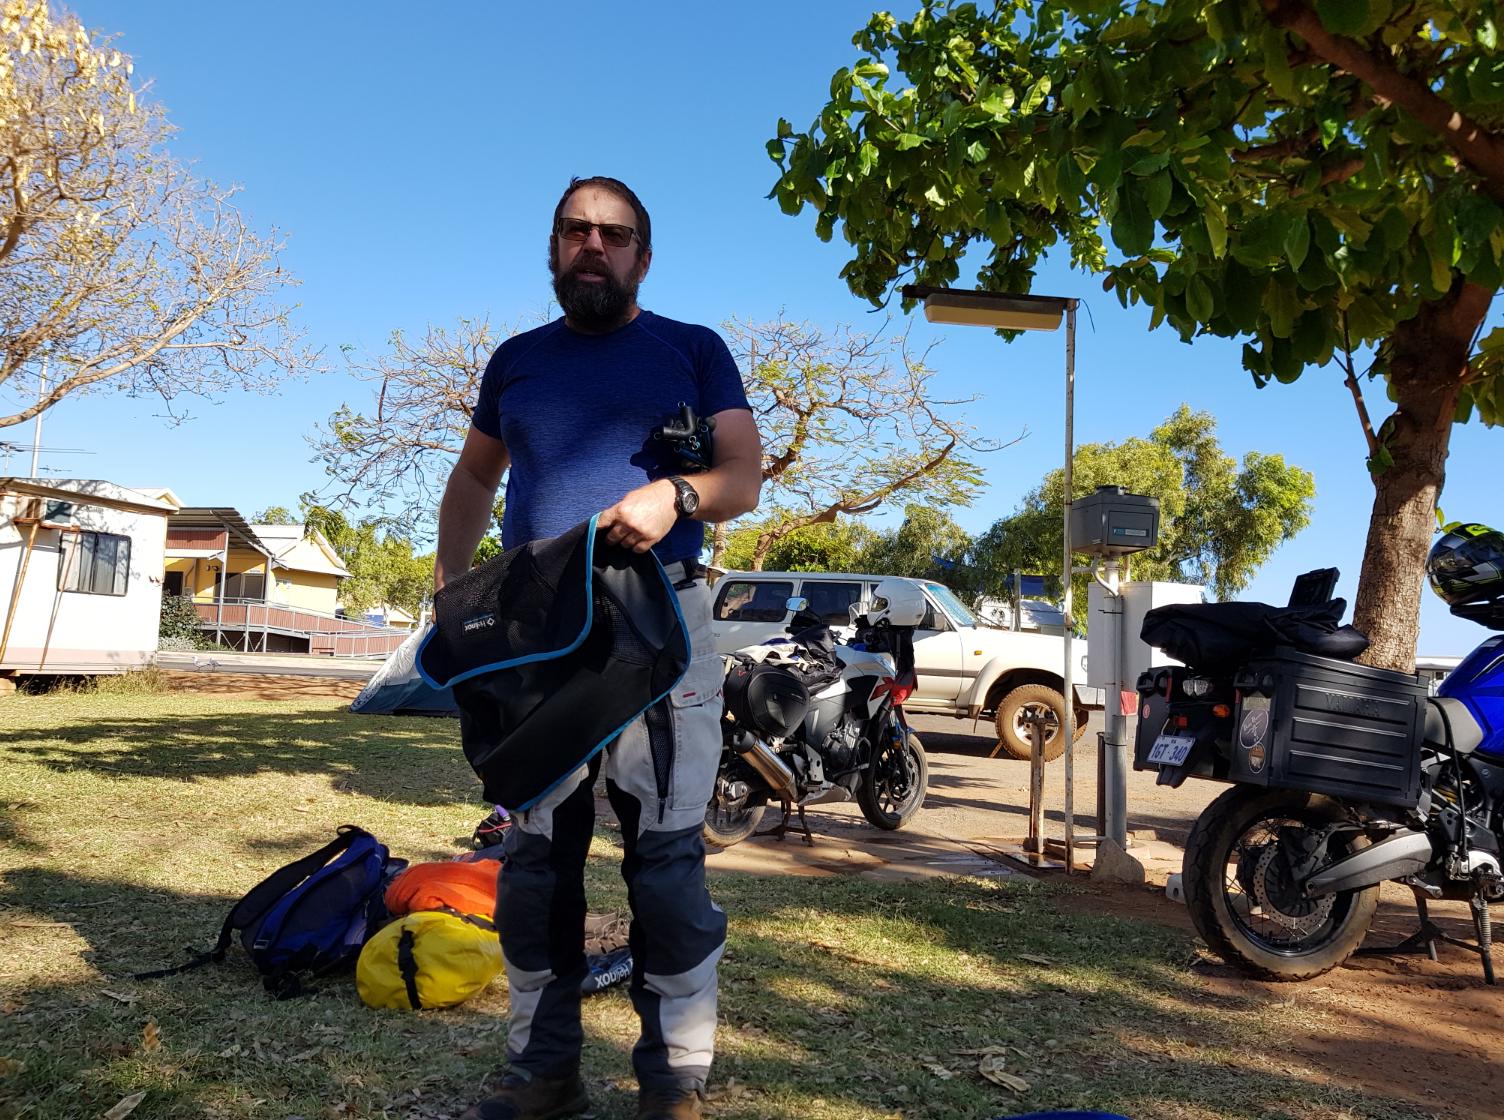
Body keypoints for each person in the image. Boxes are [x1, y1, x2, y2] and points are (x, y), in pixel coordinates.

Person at [437, 176, 762, 1120]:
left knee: (665, 861)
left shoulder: (693, 348)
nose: (593, 245)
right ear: (553, 248)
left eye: (613, 235)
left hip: (664, 624)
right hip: (537, 634)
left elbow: (743, 476)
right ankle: (542, 1073)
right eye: (576, 231)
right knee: (537, 863)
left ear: (642, 258)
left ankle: (672, 1084)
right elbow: (473, 478)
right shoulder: (517, 360)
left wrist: (678, 495)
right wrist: (450, 591)